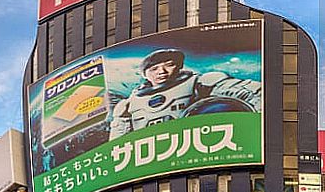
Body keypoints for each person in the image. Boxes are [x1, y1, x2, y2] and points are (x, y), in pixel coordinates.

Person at [109, 48, 263, 140]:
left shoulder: (200, 82)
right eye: (154, 69)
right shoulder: (129, 104)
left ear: (179, 66)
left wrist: (256, 128)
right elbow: (118, 143)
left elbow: (255, 93)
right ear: (145, 74)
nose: (162, 72)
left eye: (169, 65)